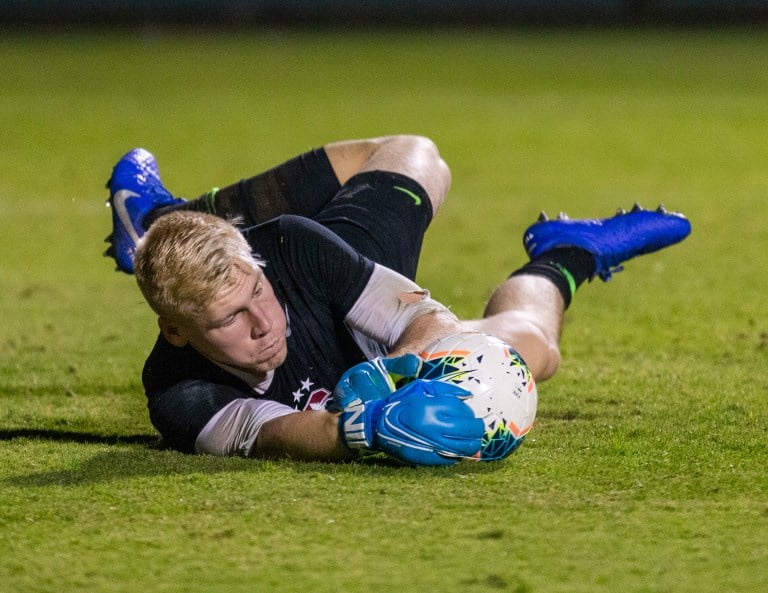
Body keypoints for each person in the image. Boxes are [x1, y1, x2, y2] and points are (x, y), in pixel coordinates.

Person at [104, 135, 691, 465]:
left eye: (257, 291)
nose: (264, 321)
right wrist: (364, 427)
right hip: (365, 392)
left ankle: (160, 219)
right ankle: (567, 255)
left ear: (254, 262)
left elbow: (421, 316)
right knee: (535, 347)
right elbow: (276, 434)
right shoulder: (178, 393)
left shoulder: (288, 248)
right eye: (230, 318)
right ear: (177, 331)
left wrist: (390, 369)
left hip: (354, 302)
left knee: (416, 153)